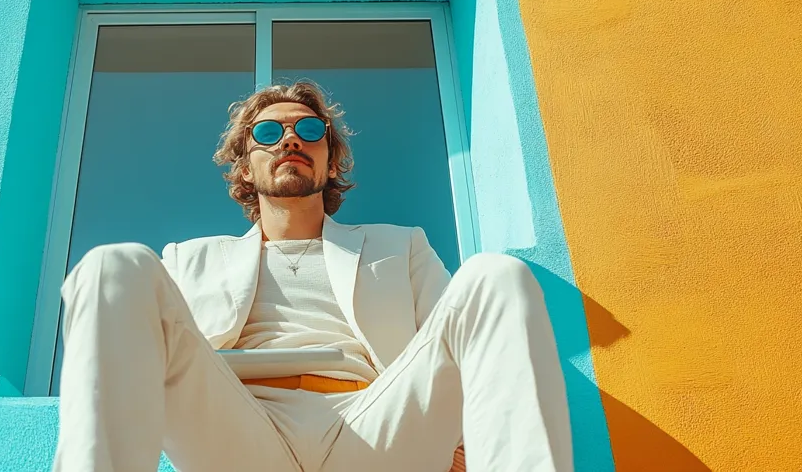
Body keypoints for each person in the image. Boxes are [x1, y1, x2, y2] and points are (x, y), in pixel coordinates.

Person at [52, 81, 574, 472]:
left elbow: (461, 351)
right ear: (245, 163)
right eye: (268, 133)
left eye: (308, 130)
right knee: (112, 265)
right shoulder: (189, 260)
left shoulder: (400, 245)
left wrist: (460, 442)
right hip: (237, 426)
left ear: (329, 160)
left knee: (497, 275)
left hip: (372, 425)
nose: (290, 141)